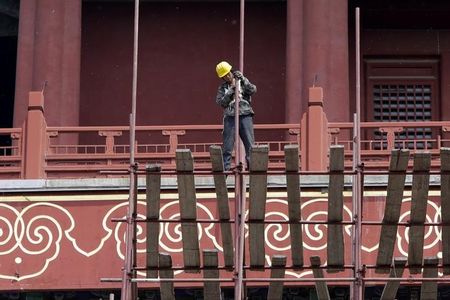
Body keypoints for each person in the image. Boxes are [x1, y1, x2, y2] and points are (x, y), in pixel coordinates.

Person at [215, 61, 257, 171]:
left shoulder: (241, 81)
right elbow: (221, 103)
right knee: (227, 145)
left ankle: (252, 166)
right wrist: (230, 91)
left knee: (249, 143)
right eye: (224, 76)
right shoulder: (223, 88)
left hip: (245, 113)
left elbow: (252, 90)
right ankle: (226, 168)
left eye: (228, 74)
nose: (227, 77)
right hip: (230, 115)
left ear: (231, 71)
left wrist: (243, 78)